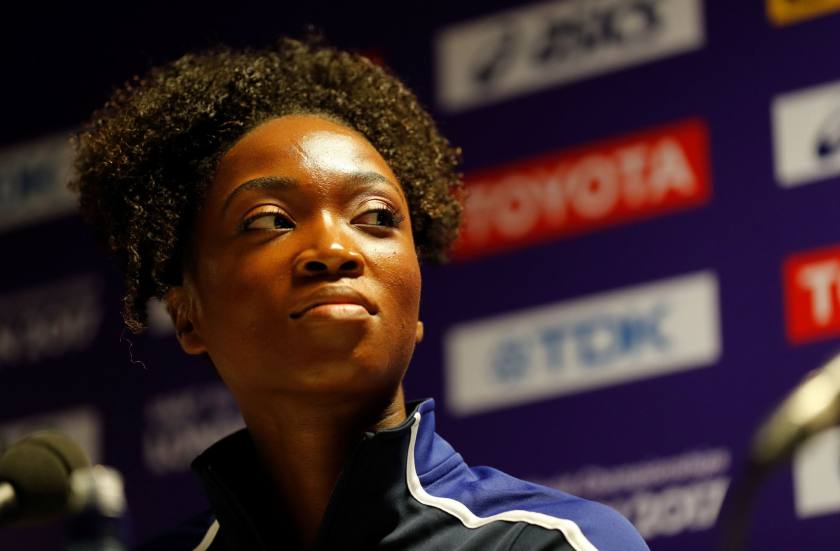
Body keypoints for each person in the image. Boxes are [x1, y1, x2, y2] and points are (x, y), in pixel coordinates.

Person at [71, 37, 649, 551]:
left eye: (375, 216)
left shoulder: (556, 545)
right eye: (269, 220)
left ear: (415, 312)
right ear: (188, 316)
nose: (335, 247)